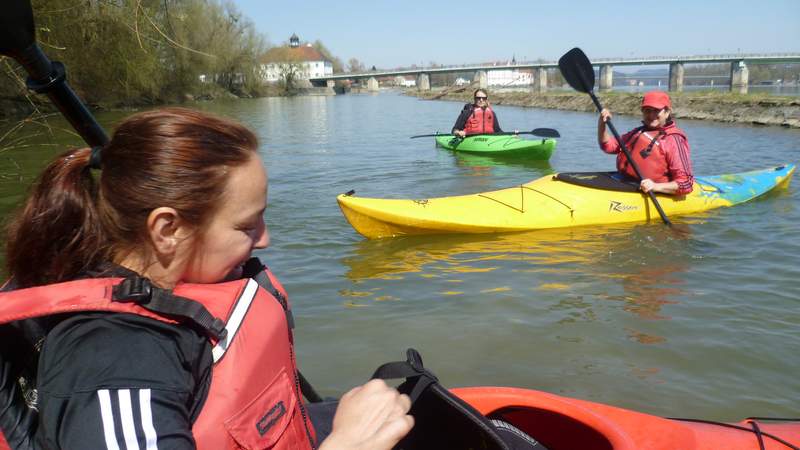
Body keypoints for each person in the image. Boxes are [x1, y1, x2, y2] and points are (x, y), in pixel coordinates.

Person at [0, 108, 413, 450]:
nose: (266, 239)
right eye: (247, 225)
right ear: (167, 230)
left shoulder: (167, 292)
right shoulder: (113, 364)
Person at [597, 90, 694, 195]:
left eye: (656, 110)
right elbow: (608, 146)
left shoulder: (673, 139)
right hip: (626, 183)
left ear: (667, 112)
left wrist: (655, 187)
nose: (651, 115)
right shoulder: (638, 132)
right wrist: (602, 124)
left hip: (655, 191)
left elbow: (686, 183)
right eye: (647, 110)